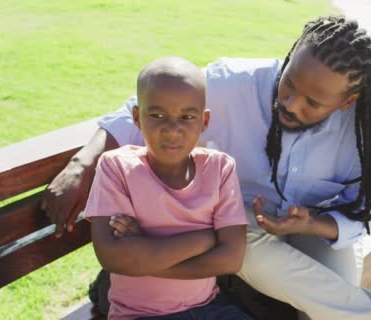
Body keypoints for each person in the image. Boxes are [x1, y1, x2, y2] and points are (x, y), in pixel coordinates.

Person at [43, 15, 371, 319]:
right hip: (239, 229)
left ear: (347, 102)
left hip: (314, 228)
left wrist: (311, 224)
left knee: (334, 307)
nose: (290, 103)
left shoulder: (367, 127)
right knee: (245, 240)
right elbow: (136, 114)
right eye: (289, 84)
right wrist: (82, 162)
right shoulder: (233, 83)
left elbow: (364, 209)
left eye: (312, 103)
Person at [84, 57, 251, 320]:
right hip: (140, 314)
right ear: (137, 117)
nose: (172, 130)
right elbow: (113, 257)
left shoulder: (220, 168)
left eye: (187, 116)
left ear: (204, 122)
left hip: (210, 309)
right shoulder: (117, 167)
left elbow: (231, 259)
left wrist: (146, 254)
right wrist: (206, 239)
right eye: (158, 115)